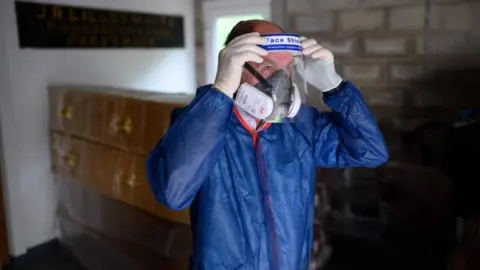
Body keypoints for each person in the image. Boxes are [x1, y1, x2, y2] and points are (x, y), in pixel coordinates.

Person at [146, 20, 388, 270]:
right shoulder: (199, 126)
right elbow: (172, 193)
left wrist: (335, 87)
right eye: (268, 67)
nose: (281, 80)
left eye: (288, 67)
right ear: (236, 67)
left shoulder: (302, 126)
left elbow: (371, 152)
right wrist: (219, 94)